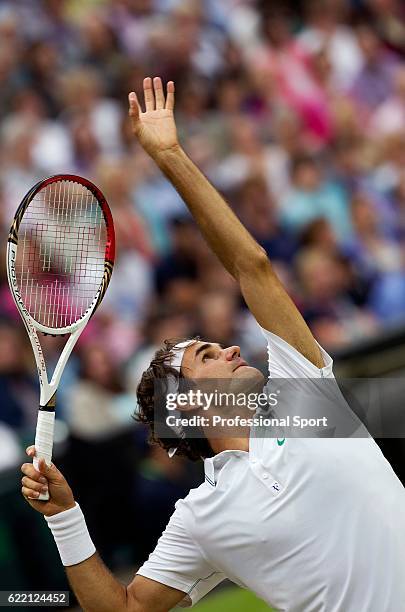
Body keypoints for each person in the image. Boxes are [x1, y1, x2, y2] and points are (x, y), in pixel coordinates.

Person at [21, 77, 405, 612]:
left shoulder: (304, 395)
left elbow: (254, 269)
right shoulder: (201, 516)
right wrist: (64, 517)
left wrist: (171, 155)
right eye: (206, 356)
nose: (229, 350)